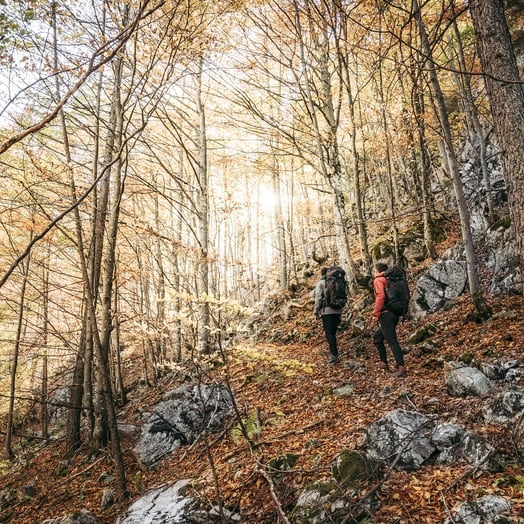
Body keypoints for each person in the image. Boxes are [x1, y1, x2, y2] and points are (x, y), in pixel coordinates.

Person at [372, 262, 406, 377]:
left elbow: (381, 296)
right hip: (395, 313)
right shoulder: (391, 279)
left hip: (386, 314)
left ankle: (401, 368)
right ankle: (383, 363)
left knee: (392, 341)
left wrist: (376, 313)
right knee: (377, 337)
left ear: (377, 270)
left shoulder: (378, 280)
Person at [314, 267, 343, 365]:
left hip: (327, 311)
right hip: (338, 310)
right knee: (333, 333)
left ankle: (334, 355)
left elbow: (318, 298)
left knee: (329, 334)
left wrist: (316, 311)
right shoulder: (336, 282)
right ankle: (334, 352)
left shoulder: (321, 283)